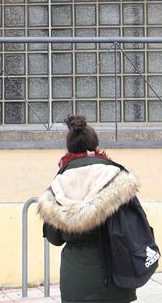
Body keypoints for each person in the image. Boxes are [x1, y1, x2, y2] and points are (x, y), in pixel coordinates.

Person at [37, 114, 141, 302]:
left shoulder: (60, 183)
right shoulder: (117, 178)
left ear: (69, 148)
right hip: (116, 278)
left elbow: (55, 238)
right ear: (95, 145)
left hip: (76, 283)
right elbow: (135, 226)